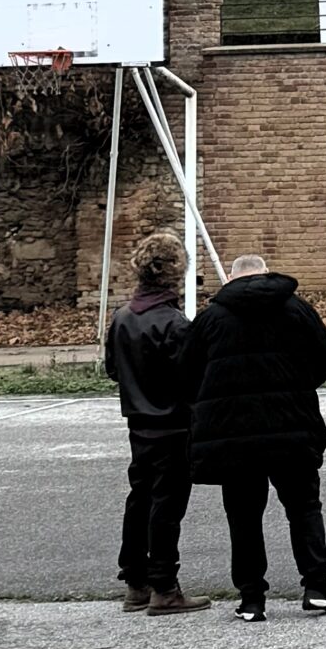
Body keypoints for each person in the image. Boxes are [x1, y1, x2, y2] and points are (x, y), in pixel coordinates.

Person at [179, 252, 326, 621]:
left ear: (232, 279)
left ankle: (251, 598)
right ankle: (317, 585)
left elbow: (186, 371)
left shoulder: (210, 319)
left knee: (243, 515)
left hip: (233, 435)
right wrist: (299, 387)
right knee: (303, 508)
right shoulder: (296, 309)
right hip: (293, 426)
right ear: (266, 273)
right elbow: (325, 355)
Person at [103, 229, 212, 615]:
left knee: (139, 499)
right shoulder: (175, 324)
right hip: (174, 426)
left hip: (138, 424)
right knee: (167, 507)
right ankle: (164, 586)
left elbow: (114, 370)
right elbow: (192, 379)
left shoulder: (121, 319)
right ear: (175, 273)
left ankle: (136, 581)